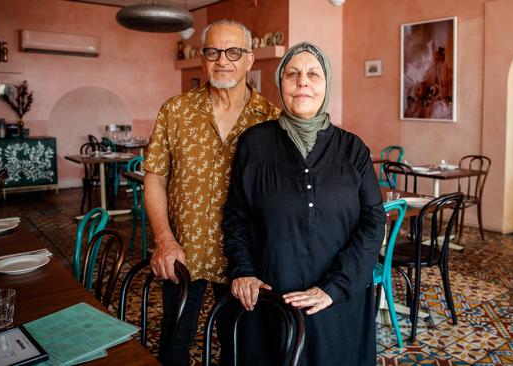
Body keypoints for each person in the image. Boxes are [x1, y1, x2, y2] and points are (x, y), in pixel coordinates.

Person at [223, 42, 386, 366]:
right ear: (280, 83)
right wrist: (243, 271)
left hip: (337, 301)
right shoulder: (254, 144)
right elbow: (236, 216)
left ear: (327, 85)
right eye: (292, 74)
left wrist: (333, 287)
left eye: (314, 74)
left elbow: (373, 222)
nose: (303, 82)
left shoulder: (353, 149)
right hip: (270, 296)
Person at [143, 19, 280, 365]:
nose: (223, 60)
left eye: (234, 52)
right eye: (214, 52)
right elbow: (155, 177)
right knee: (174, 344)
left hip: (245, 259)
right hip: (184, 252)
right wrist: (164, 240)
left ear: (250, 59)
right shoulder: (175, 111)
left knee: (240, 349)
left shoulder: (271, 121)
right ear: (203, 59)